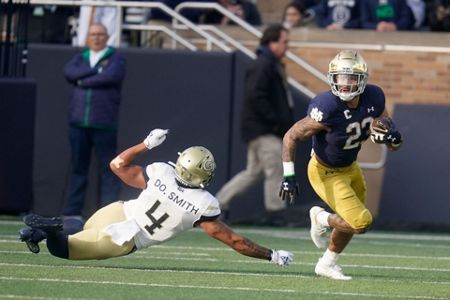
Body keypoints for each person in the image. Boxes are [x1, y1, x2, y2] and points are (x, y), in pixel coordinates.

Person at [18, 129, 294, 267]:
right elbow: (236, 241)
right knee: (62, 249)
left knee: (82, 228)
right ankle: (50, 229)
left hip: (118, 211)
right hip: (127, 237)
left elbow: (117, 165)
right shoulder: (203, 204)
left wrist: (146, 144)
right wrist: (271, 255)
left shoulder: (160, 171)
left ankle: (41, 231)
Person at [279, 50, 403, 280]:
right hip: (324, 171)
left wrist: (393, 138)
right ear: (332, 78)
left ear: (362, 80)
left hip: (351, 168)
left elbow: (388, 136)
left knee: (351, 219)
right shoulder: (326, 106)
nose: (345, 84)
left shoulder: (374, 97)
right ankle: (320, 218)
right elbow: (291, 136)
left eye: (351, 78)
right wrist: (288, 174)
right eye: (340, 77)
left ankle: (326, 264)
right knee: (361, 222)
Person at [215, 24, 294, 221]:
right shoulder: (263, 65)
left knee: (253, 173)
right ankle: (276, 211)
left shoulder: (269, 64)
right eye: (284, 42)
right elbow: (256, 97)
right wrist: (276, 122)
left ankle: (215, 204)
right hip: (264, 130)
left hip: (260, 129)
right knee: (276, 166)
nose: (287, 46)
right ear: (272, 42)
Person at [62, 23, 126, 224]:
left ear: (107, 37)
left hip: (104, 123)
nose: (96, 38)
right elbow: (69, 73)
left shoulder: (116, 58)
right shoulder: (80, 58)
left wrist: (83, 80)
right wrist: (95, 72)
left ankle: (109, 212)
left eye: (100, 34)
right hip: (79, 122)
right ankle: (72, 211)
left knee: (110, 169)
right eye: (93, 34)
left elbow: (110, 77)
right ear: (87, 38)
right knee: (78, 168)